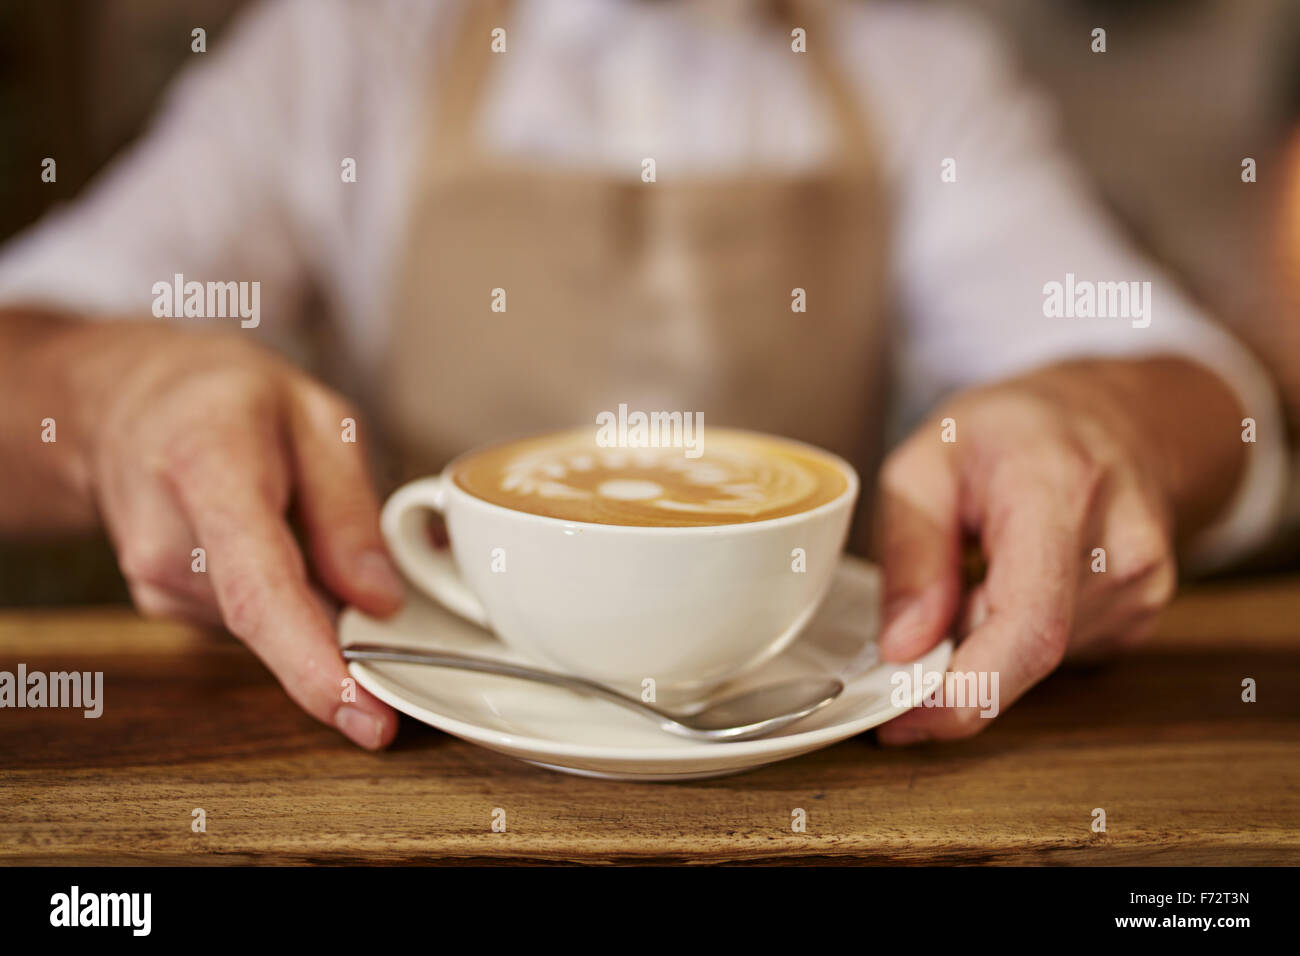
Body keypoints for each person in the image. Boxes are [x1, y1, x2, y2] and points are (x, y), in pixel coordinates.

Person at [0, 0, 1287, 749]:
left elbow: (1197, 386)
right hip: (421, 753)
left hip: (807, 750)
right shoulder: (343, 45)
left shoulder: (914, 63)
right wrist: (118, 395)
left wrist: (1101, 420)